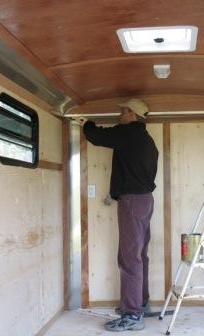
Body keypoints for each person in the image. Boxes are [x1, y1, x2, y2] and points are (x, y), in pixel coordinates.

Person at [82, 98, 158, 332]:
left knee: (129, 258)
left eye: (123, 111)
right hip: (145, 201)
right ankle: (140, 303)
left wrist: (86, 122)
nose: (120, 115)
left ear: (133, 114)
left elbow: (96, 136)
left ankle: (133, 314)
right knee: (139, 256)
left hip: (132, 203)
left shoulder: (128, 134)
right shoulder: (148, 141)